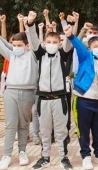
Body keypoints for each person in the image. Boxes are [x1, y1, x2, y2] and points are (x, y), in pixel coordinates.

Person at [25, 11, 73, 170]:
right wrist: (30, 24)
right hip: (43, 100)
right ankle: (45, 158)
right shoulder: (40, 54)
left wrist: (69, 26)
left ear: (59, 43)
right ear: (44, 42)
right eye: (49, 41)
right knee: (45, 131)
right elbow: (32, 41)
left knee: (61, 131)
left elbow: (68, 42)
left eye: (55, 41)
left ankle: (64, 158)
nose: (52, 44)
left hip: (60, 99)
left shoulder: (63, 54)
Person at [64, 25, 98, 169]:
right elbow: (79, 46)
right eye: (95, 46)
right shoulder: (85, 57)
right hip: (82, 100)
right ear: (90, 49)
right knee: (83, 131)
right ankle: (86, 156)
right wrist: (71, 36)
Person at [0, 31, 38, 170]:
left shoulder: (33, 55)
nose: (16, 48)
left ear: (27, 46)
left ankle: (22, 152)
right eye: (14, 45)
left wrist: (29, 25)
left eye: (19, 45)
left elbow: (34, 39)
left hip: (28, 93)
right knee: (10, 125)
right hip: (10, 92)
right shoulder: (12, 55)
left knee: (23, 124)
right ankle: (7, 155)